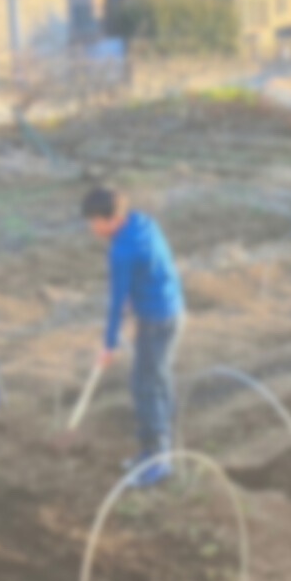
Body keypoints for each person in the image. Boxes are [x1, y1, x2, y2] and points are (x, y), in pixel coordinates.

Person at [82, 186, 185, 488]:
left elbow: (117, 299)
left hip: (157, 319)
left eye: (94, 221)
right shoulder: (142, 223)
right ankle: (152, 450)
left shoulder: (122, 251)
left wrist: (109, 343)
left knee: (146, 384)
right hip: (171, 310)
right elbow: (148, 270)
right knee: (157, 378)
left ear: (111, 220)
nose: (92, 228)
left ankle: (158, 461)